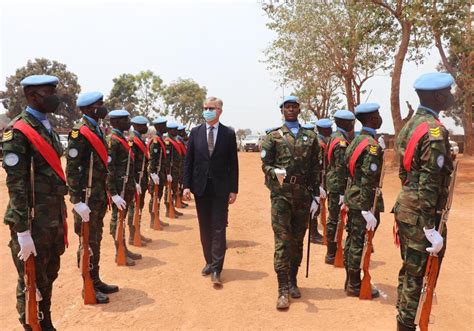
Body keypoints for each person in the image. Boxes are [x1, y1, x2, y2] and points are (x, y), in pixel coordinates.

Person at [2, 75, 67, 330]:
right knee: (30, 278)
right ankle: (30, 324)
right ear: (32, 97)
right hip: (31, 219)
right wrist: (22, 230)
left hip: (52, 215)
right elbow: (16, 184)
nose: (53, 96)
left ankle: (45, 320)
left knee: (49, 272)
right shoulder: (18, 131)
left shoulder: (47, 126)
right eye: (47, 92)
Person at [393, 72, 455, 331]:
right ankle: (407, 325)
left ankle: (404, 322)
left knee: (410, 271)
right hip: (423, 215)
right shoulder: (435, 132)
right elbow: (431, 181)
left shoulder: (410, 125)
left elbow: (404, 172)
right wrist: (431, 228)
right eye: (448, 92)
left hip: (408, 207)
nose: (451, 96)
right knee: (418, 278)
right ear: (439, 96)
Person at [260, 96, 321, 309]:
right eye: (288, 107)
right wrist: (273, 171)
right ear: (282, 110)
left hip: (303, 196)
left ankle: (294, 280)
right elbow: (265, 165)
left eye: (295, 107)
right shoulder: (273, 137)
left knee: (297, 240)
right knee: (282, 241)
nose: (291, 110)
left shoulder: (311, 136)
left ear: (299, 110)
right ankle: (282, 288)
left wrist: (316, 195)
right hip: (281, 195)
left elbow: (315, 167)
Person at [66, 91, 119, 304]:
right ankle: (87, 283)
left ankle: (95, 279)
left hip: (97, 196)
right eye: (99, 105)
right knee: (86, 241)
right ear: (87, 109)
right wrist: (76, 200)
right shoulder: (80, 133)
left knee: (95, 240)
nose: (103, 107)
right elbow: (72, 168)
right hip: (86, 198)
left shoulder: (96, 130)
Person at [183, 96, 239, 286]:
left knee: (218, 227)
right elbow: (188, 161)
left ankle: (217, 268)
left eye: (211, 108)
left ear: (219, 111)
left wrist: (234, 189)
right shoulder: (195, 132)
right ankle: (208, 260)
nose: (207, 110)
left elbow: (233, 165)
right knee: (205, 227)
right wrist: (186, 186)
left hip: (221, 188)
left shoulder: (228, 134)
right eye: (205, 107)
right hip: (200, 188)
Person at [343, 103, 384, 298]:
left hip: (354, 197)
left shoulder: (356, 141)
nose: (379, 117)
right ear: (370, 119)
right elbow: (368, 178)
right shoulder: (372, 146)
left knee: (353, 239)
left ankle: (350, 280)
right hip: (364, 200)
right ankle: (355, 285)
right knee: (360, 241)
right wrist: (367, 209)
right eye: (377, 115)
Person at [107, 109, 142, 266]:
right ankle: (118, 252)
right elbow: (109, 168)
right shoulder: (112, 141)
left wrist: (134, 182)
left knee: (122, 217)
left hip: (126, 187)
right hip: (118, 189)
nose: (128, 122)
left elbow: (128, 164)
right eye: (124, 120)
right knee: (117, 219)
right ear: (115, 122)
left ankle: (124, 248)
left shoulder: (122, 138)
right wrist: (113, 193)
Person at [325, 109, 355, 265]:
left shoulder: (334, 137)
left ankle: (331, 251)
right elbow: (340, 168)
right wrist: (343, 191)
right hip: (338, 186)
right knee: (335, 219)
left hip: (333, 184)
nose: (352, 124)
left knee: (333, 218)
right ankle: (332, 253)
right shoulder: (341, 142)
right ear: (345, 123)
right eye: (351, 122)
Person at [127, 116, 152, 246]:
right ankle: (132, 236)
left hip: (141, 179)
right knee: (133, 208)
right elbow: (129, 164)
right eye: (143, 126)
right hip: (135, 180)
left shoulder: (140, 140)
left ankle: (137, 232)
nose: (146, 128)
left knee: (139, 207)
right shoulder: (132, 141)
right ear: (136, 126)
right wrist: (134, 181)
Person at [309, 118, 332, 244]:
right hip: (318, 180)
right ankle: (313, 234)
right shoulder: (319, 143)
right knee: (315, 207)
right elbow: (317, 166)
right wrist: (318, 186)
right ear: (323, 129)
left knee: (317, 208)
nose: (331, 130)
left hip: (322, 179)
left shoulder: (324, 141)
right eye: (329, 128)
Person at [148, 117, 169, 228]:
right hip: (155, 174)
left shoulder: (160, 139)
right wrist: (153, 173)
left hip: (160, 174)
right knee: (154, 197)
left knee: (158, 197)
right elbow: (153, 158)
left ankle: (157, 218)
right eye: (164, 125)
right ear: (158, 127)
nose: (166, 127)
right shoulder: (155, 140)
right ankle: (153, 220)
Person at [164, 122, 184, 217]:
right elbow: (167, 159)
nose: (176, 131)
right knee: (169, 190)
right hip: (171, 171)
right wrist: (168, 172)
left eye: (176, 129)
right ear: (169, 131)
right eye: (174, 129)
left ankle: (172, 208)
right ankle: (168, 210)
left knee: (173, 190)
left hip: (176, 170)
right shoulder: (168, 142)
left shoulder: (174, 140)